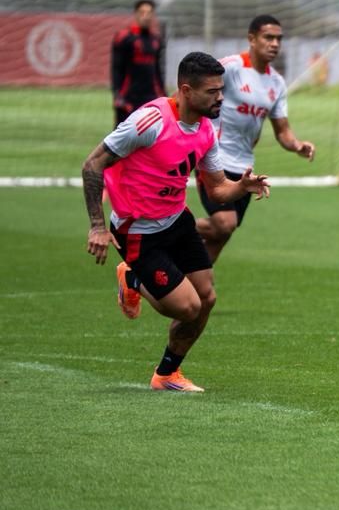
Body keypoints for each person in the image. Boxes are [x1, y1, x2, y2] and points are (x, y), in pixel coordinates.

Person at [82, 52, 270, 391]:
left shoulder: (205, 130)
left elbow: (216, 189)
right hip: (136, 230)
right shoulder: (149, 122)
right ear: (186, 90)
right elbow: (92, 165)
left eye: (221, 90)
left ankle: (167, 375)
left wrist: (241, 186)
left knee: (206, 299)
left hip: (177, 221)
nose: (221, 98)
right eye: (212, 92)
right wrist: (97, 225)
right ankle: (134, 278)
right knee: (187, 308)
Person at [195, 14, 315, 263]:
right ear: (252, 39)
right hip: (213, 157)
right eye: (268, 37)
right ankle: (158, 227)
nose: (275, 44)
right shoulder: (229, 67)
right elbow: (189, 92)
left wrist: (297, 145)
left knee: (221, 235)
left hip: (244, 166)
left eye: (279, 39)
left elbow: (282, 130)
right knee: (225, 223)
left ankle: (194, 284)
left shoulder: (277, 82)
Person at [111, 0, 166, 126]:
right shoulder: (123, 37)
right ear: (136, 14)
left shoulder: (157, 39)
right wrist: (117, 95)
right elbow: (116, 68)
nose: (145, 17)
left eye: (149, 13)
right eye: (142, 12)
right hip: (128, 98)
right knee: (123, 140)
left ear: (153, 15)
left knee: (153, 138)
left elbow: (158, 70)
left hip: (151, 97)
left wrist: (163, 94)